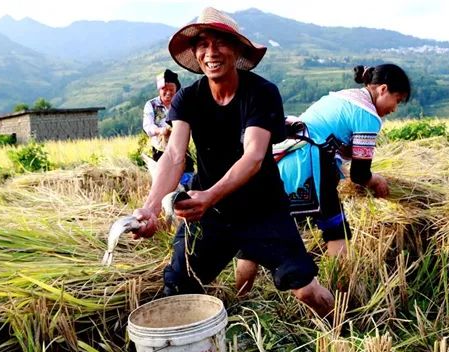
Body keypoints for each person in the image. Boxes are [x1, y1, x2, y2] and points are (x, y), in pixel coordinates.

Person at [131, 7, 335, 317]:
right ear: (195, 52)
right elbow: (174, 155)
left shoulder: (261, 93)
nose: (211, 52)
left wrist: (209, 195)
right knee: (179, 286)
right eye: (203, 44)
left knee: (305, 287)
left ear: (237, 49)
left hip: (263, 210)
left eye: (220, 42)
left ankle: (342, 333)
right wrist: (151, 208)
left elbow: (253, 156)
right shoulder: (188, 99)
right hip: (211, 216)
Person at [236, 64, 412, 295]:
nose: (394, 108)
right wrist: (374, 180)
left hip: (281, 159)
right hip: (311, 165)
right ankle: (343, 293)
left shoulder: (343, 97)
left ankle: (240, 297)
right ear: (383, 89)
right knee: (337, 229)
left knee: (260, 229)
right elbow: (360, 175)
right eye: (397, 100)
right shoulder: (368, 115)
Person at [143, 69, 195, 187]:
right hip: (160, 151)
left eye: (171, 89)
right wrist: (161, 131)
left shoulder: (182, 104)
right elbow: (148, 126)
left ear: (176, 89)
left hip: (182, 150)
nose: (167, 93)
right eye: (164, 89)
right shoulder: (151, 105)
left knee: (186, 182)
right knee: (164, 184)